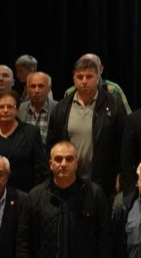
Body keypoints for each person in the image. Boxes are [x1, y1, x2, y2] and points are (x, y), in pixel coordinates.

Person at [48, 55, 125, 197]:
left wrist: (122, 172)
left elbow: (123, 141)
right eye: (80, 77)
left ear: (98, 77)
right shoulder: (61, 108)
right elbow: (52, 143)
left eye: (89, 76)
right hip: (69, 180)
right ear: (74, 79)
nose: (84, 81)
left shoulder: (114, 104)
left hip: (104, 181)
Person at [0, 90, 47, 193]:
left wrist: (35, 195)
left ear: (17, 109)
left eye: (10, 107)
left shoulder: (31, 133)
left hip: (24, 194)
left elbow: (40, 169)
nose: (5, 110)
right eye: (1, 107)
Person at [61, 52, 132, 114]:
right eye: (82, 66)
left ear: (100, 69)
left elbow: (127, 117)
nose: (84, 81)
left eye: (92, 66)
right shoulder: (70, 92)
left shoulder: (112, 89)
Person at [19, 71, 57, 146]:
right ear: (27, 89)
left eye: (41, 86)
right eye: (33, 86)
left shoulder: (58, 109)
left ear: (49, 88)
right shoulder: (19, 109)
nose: (36, 90)